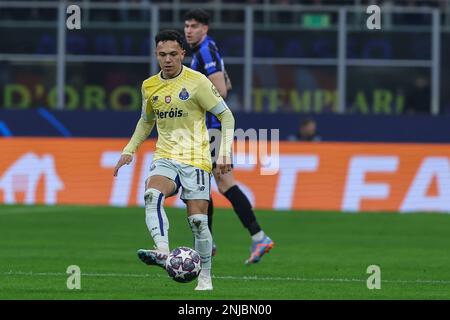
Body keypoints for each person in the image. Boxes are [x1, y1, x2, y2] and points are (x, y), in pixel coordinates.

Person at [113, 29, 235, 291]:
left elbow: (227, 116)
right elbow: (146, 122)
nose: (167, 59)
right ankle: (162, 250)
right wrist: (129, 149)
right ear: (156, 55)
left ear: (182, 53)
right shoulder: (149, 86)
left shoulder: (198, 82)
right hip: (166, 156)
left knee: (198, 222)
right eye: (161, 54)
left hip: (196, 159)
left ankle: (205, 277)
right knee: (151, 194)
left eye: (172, 54)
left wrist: (224, 152)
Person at [184, 9, 274, 265]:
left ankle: (208, 242)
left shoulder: (204, 51)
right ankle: (256, 236)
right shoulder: (209, 48)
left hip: (210, 129)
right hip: (211, 129)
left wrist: (191, 101)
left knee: (203, 184)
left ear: (205, 28)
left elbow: (221, 90)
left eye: (194, 26)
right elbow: (227, 84)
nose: (189, 30)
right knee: (222, 184)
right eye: (187, 26)